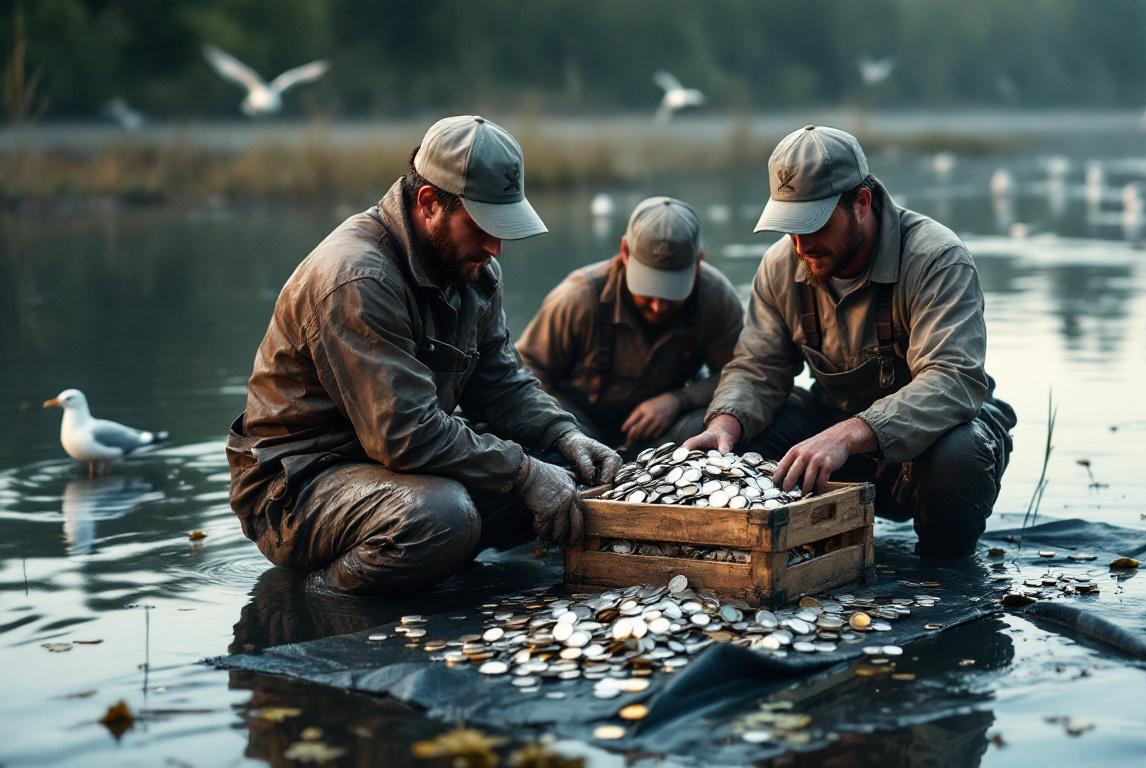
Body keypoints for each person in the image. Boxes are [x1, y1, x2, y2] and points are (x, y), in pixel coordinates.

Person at [225, 115, 620, 594]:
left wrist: (563, 435)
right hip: (300, 486)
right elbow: (405, 436)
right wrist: (523, 471)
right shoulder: (356, 280)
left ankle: (425, 565)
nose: (495, 247)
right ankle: (320, 597)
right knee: (443, 517)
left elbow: (500, 384)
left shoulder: (471, 268)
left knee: (570, 476)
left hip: (395, 470)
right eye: (481, 227)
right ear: (429, 202)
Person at [684, 125, 1016, 558]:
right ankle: (785, 553)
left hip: (927, 448)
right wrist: (725, 423)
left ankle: (944, 569)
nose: (801, 245)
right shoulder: (781, 265)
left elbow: (952, 381)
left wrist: (850, 434)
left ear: (861, 202)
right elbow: (757, 368)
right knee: (728, 444)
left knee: (960, 456)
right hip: (832, 433)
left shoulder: (936, 258)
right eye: (790, 227)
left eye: (815, 224)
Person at [516, 196, 743, 452]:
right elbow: (525, 374)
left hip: (663, 434)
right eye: (648, 289)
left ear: (698, 264)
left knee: (733, 422)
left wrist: (679, 400)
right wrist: (566, 433)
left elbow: (740, 374)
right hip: (580, 426)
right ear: (625, 252)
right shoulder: (578, 297)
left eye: (672, 292)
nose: (658, 306)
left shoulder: (715, 297)